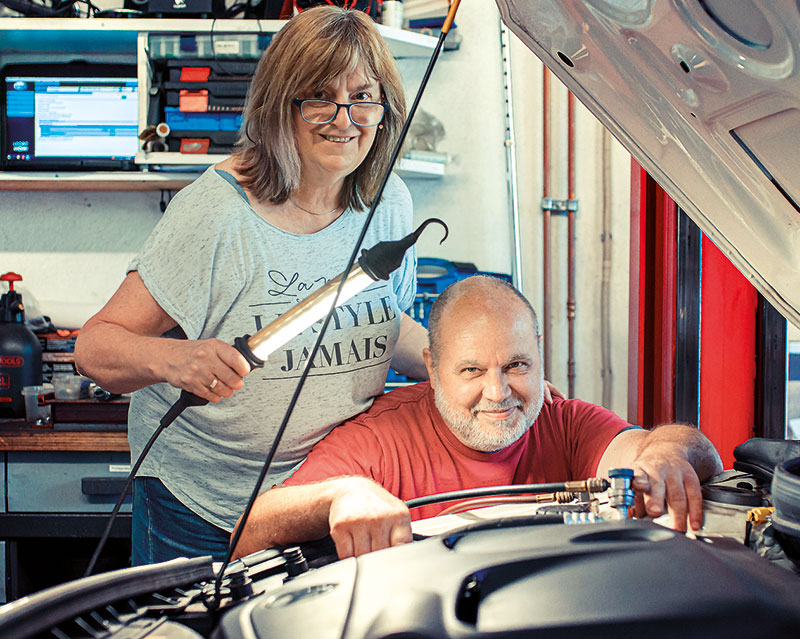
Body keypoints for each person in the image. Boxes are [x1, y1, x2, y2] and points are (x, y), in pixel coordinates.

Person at [74, 7, 430, 565]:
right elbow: (94, 347)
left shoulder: (389, 204)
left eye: (363, 96)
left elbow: (380, 321)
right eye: (319, 96)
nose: (345, 118)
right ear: (277, 106)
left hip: (325, 491)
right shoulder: (216, 213)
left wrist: (467, 366)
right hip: (202, 505)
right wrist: (175, 360)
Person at [233, 276, 723, 560]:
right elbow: (248, 532)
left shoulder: (562, 421)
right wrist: (338, 495)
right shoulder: (381, 439)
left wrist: (664, 453)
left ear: (539, 356)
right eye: (471, 370)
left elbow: (684, 449)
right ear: (430, 366)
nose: (498, 392)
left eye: (516, 365)